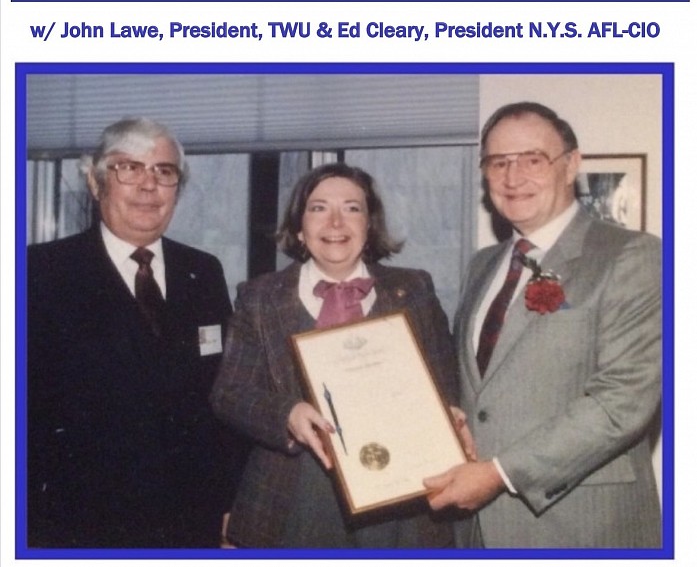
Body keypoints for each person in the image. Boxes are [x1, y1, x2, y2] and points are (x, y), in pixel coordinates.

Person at [424, 102, 662, 548]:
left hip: (582, 529)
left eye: (533, 159)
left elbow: (623, 401)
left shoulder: (634, 256)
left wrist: (500, 473)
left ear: (571, 165)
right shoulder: (483, 265)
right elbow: (484, 390)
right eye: (499, 163)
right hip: (477, 530)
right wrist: (450, 417)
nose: (513, 178)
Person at [210, 162, 459, 548]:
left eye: (352, 208)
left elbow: (446, 384)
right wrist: (287, 414)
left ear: (370, 225)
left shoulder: (414, 288)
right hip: (295, 492)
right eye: (319, 207)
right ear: (299, 227)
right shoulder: (259, 297)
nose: (336, 222)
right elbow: (230, 393)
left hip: (401, 494)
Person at [27, 118, 244, 548]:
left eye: (164, 172)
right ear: (94, 182)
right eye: (128, 168)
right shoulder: (38, 273)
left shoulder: (203, 270)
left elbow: (223, 394)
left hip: (191, 523)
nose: (149, 186)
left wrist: (230, 502)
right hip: (78, 527)